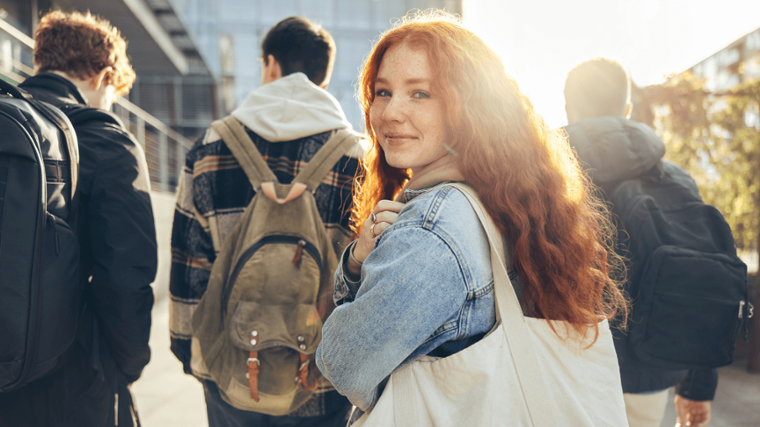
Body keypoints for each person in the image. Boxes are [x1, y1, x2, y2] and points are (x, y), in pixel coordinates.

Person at [315, 11, 627, 421]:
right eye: (383, 92)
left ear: (469, 107)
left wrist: (354, 265)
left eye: (420, 93)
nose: (390, 113)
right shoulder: (502, 196)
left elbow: (345, 363)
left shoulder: (434, 227)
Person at [169, 16, 361, 427]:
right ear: (321, 81)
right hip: (320, 378)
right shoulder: (356, 157)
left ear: (270, 65)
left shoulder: (211, 146)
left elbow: (189, 264)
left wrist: (190, 352)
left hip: (231, 370)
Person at [0, 10, 157, 427]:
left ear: (40, 62)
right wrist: (122, 368)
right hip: (69, 378)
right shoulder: (106, 139)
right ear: (106, 76)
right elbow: (127, 276)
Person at [563, 57, 715, 427]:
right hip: (651, 371)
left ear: (567, 107)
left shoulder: (545, 176)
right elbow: (701, 282)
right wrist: (697, 386)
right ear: (627, 110)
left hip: (567, 369)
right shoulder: (676, 178)